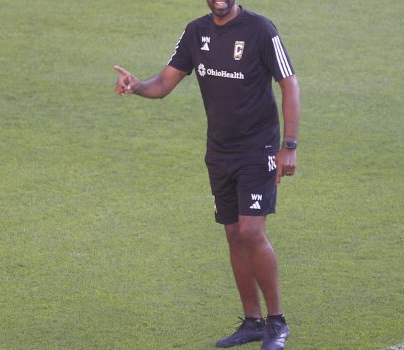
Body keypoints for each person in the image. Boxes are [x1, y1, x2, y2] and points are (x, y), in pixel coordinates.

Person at [113, 1, 300, 349]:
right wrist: (136, 85)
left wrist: (288, 145)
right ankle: (253, 322)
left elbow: (289, 83)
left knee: (251, 230)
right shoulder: (195, 32)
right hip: (219, 151)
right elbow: (165, 82)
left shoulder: (261, 30)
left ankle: (277, 322)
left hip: (258, 147)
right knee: (233, 233)